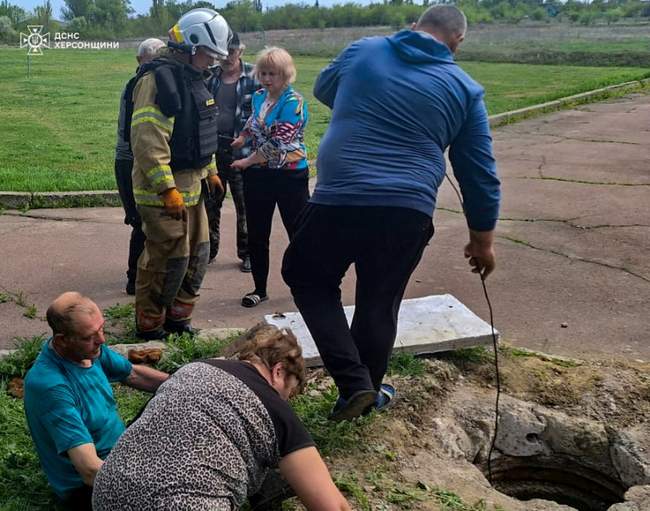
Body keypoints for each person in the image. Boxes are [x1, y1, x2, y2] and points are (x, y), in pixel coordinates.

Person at [281, 5, 501, 421]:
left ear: (415, 26)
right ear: (458, 41)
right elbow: (479, 173)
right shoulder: (464, 88)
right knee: (379, 302)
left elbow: (326, 88)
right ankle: (364, 394)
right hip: (407, 212)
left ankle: (354, 383)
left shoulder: (363, 51)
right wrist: (482, 242)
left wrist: (365, 99)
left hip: (339, 198)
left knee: (308, 277)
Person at [92, 324, 351, 511]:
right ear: (279, 371)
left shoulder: (192, 370)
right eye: (289, 392)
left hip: (107, 492)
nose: (284, 401)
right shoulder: (274, 408)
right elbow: (332, 506)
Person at [129, 8, 228, 339]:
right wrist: (166, 188)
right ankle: (150, 327)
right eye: (209, 54)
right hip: (163, 195)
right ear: (192, 44)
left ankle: (178, 321)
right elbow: (147, 140)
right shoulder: (156, 80)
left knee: (197, 256)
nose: (213, 62)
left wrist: (211, 170)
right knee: (166, 263)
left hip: (194, 189)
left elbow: (200, 134)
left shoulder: (194, 80)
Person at [23, 292, 168, 510]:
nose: (102, 339)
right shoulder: (51, 386)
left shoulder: (88, 350)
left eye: (101, 328)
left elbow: (133, 375)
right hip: (90, 486)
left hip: (121, 452)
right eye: (90, 335)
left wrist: (185, 384)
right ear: (62, 340)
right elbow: (90, 470)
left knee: (175, 405)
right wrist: (158, 482)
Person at [230, 47, 310, 308]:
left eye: (272, 74)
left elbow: (277, 142)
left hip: (290, 175)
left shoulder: (294, 103)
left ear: (285, 74)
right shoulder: (258, 97)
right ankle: (259, 288)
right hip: (260, 177)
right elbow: (254, 121)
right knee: (257, 233)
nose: (266, 79)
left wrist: (247, 160)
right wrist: (243, 137)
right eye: (262, 73)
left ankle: (305, 286)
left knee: (298, 233)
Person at [204, 31, 259, 272]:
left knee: (244, 205)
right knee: (211, 201)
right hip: (213, 148)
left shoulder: (255, 77)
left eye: (233, 52)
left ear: (241, 52)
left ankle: (247, 253)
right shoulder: (210, 77)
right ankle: (209, 250)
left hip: (242, 151)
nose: (228, 57)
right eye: (224, 52)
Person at [115, 37, 165, 296]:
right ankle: (134, 279)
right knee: (140, 221)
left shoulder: (149, 82)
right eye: (153, 59)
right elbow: (131, 135)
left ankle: (144, 274)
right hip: (129, 160)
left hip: (137, 158)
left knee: (147, 222)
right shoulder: (137, 84)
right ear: (140, 60)